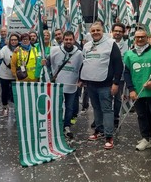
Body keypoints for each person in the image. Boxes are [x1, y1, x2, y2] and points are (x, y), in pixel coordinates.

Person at [80, 21, 122, 150]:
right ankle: (99, 130)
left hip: (106, 84)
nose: (95, 32)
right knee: (96, 109)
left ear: (102, 31)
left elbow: (118, 64)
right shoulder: (87, 45)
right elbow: (84, 63)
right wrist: (81, 79)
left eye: (98, 30)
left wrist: (116, 83)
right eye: (93, 31)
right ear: (90, 32)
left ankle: (109, 136)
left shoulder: (111, 44)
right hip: (91, 84)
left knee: (107, 110)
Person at [46, 31, 83, 140]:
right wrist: (45, 64)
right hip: (58, 84)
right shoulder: (55, 50)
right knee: (57, 107)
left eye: (70, 39)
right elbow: (49, 63)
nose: (68, 41)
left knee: (69, 108)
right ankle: (57, 125)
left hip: (71, 84)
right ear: (63, 39)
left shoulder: (79, 53)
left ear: (74, 40)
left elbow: (81, 67)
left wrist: (81, 80)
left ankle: (66, 126)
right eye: (66, 39)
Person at [0, 33, 19, 116]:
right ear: (9, 41)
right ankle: (5, 107)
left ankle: (16, 107)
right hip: (5, 74)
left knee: (15, 92)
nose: (13, 41)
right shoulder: (5, 48)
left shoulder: (21, 49)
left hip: (16, 74)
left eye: (15, 40)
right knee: (4, 91)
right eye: (12, 40)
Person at [111, 23, 129, 129]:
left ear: (123, 33)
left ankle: (115, 117)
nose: (117, 33)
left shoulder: (128, 45)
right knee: (106, 98)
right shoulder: (107, 44)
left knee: (118, 99)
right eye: (115, 31)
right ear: (112, 32)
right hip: (107, 76)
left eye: (120, 31)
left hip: (120, 77)